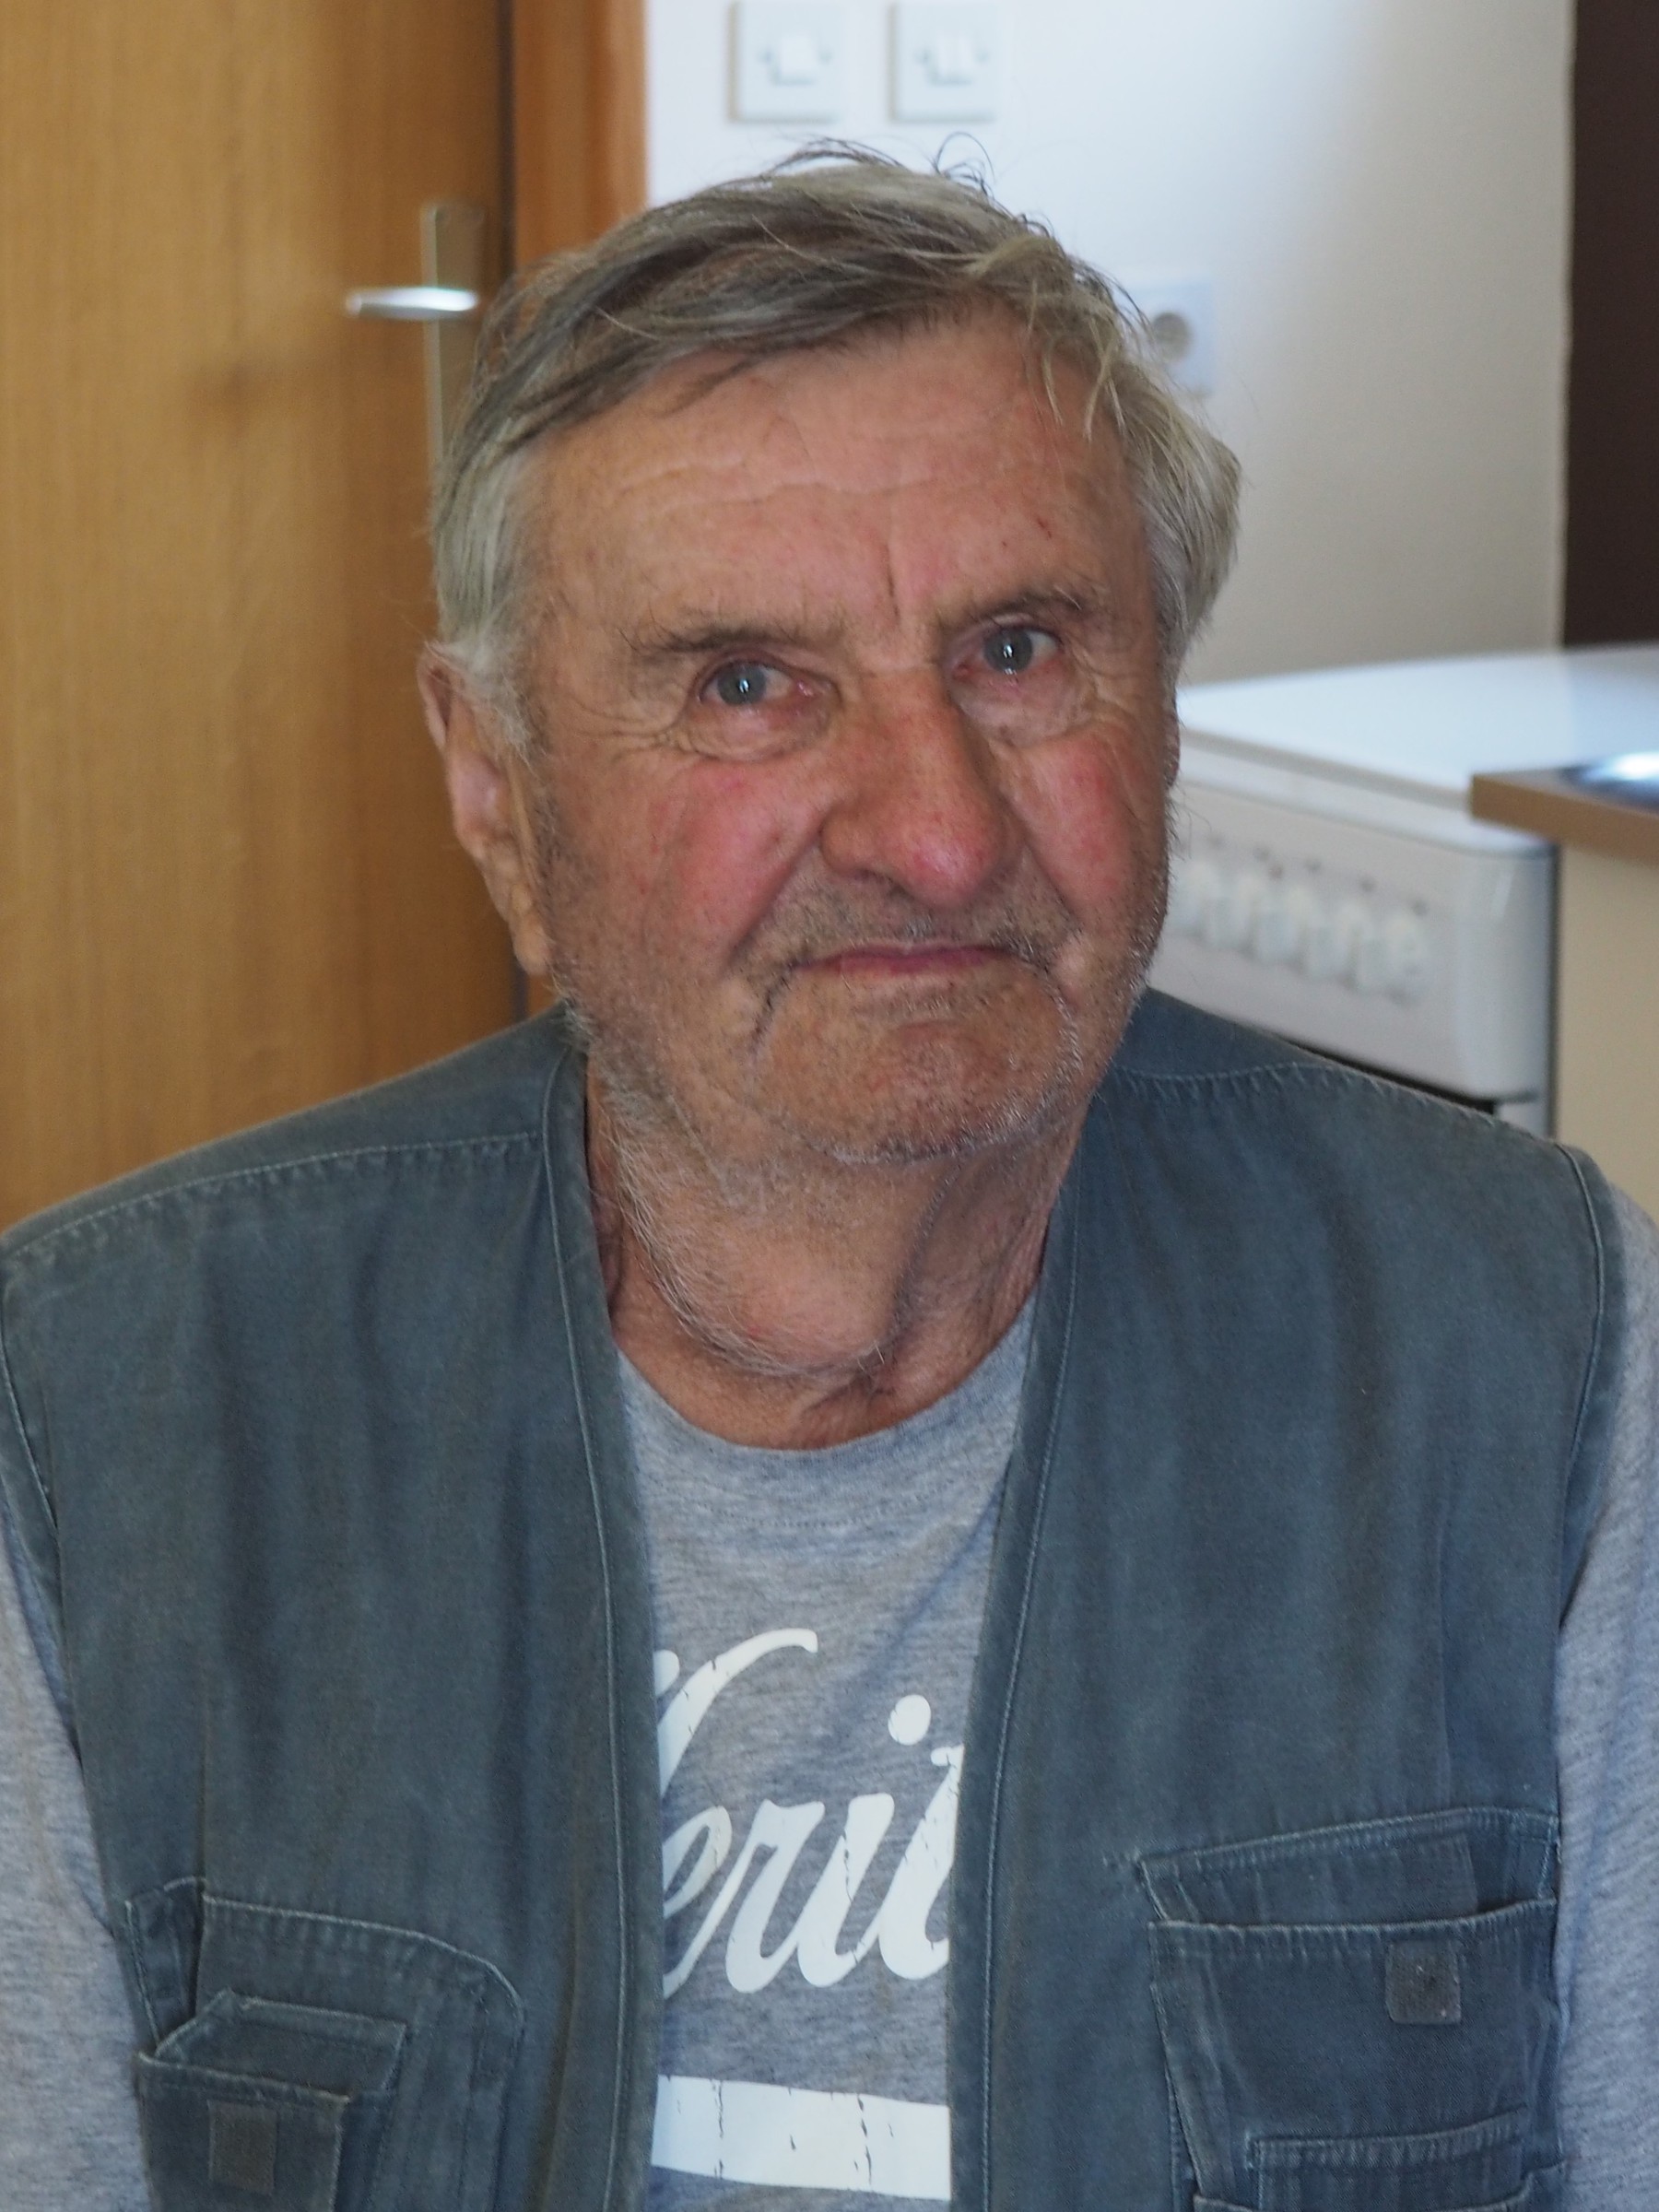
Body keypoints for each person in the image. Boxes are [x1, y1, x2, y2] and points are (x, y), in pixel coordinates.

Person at [1, 152, 1655, 2212]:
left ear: (1162, 710)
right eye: (746, 686)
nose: (936, 834)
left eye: (1020, 651)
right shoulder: (104, 1415)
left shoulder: (1539, 1351)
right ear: (496, 787)